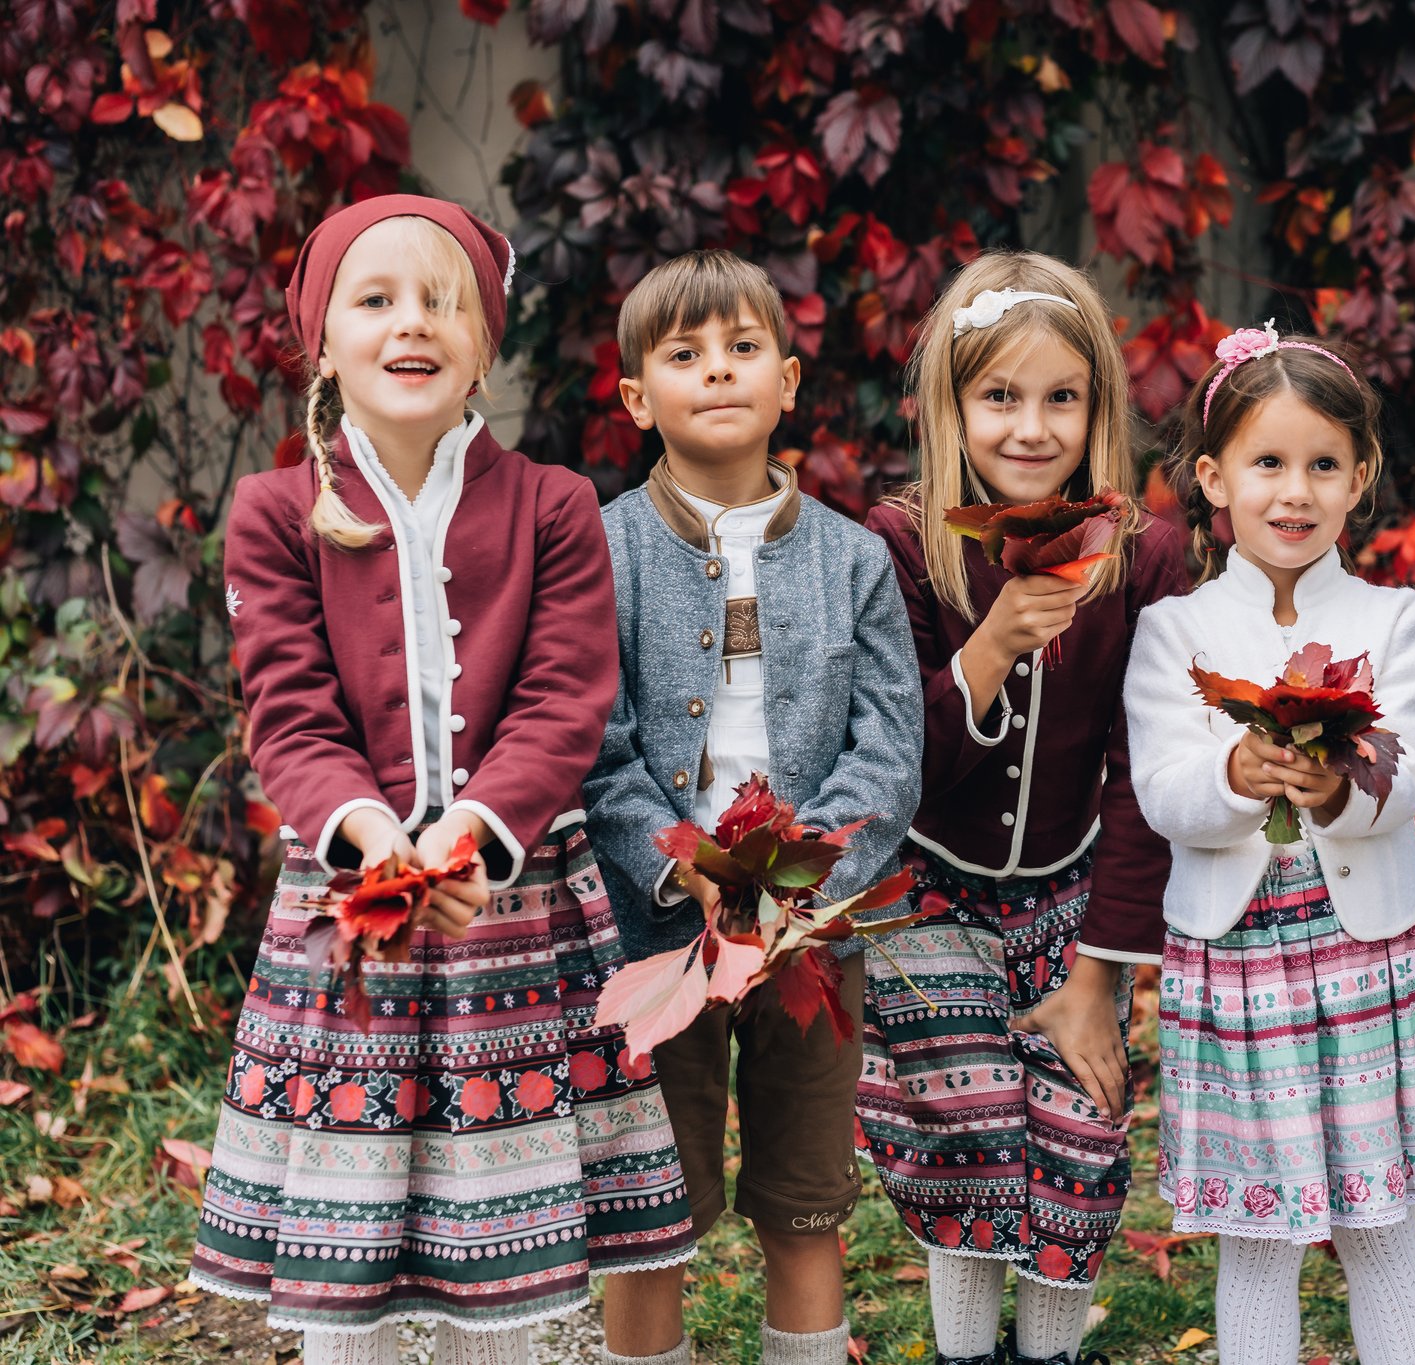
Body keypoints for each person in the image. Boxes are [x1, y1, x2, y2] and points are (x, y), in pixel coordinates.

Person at [191, 194, 692, 1365]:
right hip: (350, 901)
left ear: (481, 349)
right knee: (351, 1214)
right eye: (375, 300)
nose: (410, 321)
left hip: (514, 901)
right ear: (324, 343)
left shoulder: (552, 504)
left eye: (441, 302)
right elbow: (288, 709)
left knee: (500, 1220)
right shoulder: (274, 512)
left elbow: (565, 694)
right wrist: (374, 843)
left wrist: (471, 834)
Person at [1124, 322, 1415, 1365]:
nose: (1295, 492)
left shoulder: (1393, 620)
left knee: (1379, 1219)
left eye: (1323, 465)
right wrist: (1233, 778)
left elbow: (1404, 778)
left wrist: (1338, 790)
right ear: (1213, 479)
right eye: (1268, 464)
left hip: (1361, 953)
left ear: (1359, 478)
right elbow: (1162, 793)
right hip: (1237, 962)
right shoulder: (1176, 632)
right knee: (1260, 1232)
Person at [583, 248, 922, 1365]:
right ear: (637, 398)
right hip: (656, 934)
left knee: (804, 1199)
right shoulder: (603, 552)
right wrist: (673, 863)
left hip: (810, 932)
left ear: (787, 381)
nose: (718, 371)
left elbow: (889, 748)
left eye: (741, 349)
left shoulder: (853, 560)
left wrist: (808, 871)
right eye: (684, 355)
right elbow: (595, 744)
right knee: (649, 1215)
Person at [857, 251, 1185, 1365]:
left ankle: (1049, 1354)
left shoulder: (1144, 555)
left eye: (1061, 397)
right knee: (966, 1135)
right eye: (999, 396)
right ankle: (963, 1354)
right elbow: (895, 765)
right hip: (923, 889)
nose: (1031, 427)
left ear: (1099, 405)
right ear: (951, 406)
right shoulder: (902, 543)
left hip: (1073, 895)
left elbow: (1144, 775)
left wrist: (1100, 973)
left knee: (1077, 1134)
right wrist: (991, 645)